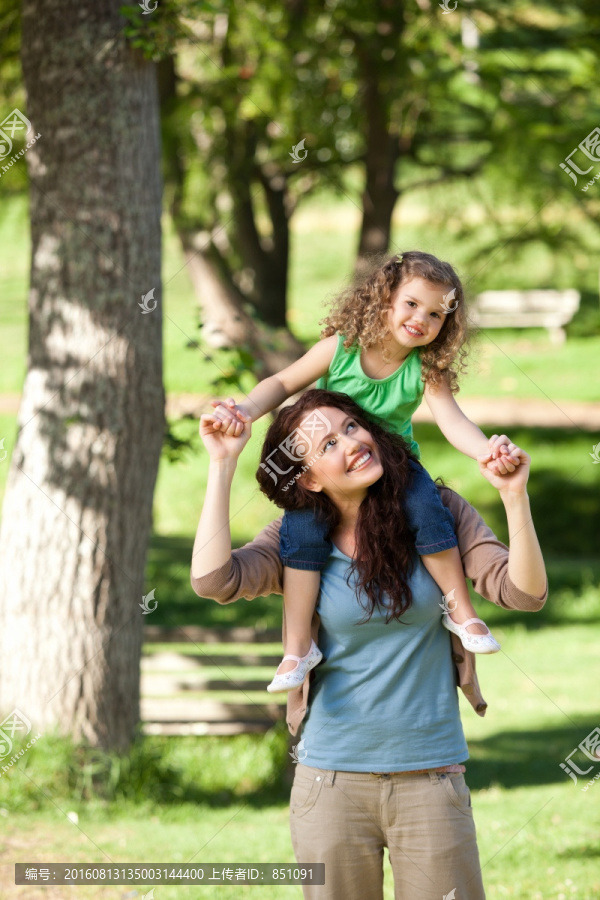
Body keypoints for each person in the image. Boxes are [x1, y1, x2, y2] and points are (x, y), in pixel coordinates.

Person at [191, 390, 547, 900]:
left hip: (430, 777)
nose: (352, 443)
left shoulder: (438, 512)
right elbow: (214, 581)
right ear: (310, 477)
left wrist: (515, 496)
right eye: (328, 443)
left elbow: (524, 592)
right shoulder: (296, 541)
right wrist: (222, 465)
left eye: (352, 427)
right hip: (329, 783)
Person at [208, 251, 519, 694]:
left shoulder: (426, 368)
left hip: (395, 465)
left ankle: (461, 610)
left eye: (435, 314)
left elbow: (452, 422)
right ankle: (297, 647)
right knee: (301, 533)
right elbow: (282, 383)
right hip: (332, 469)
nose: (421, 319)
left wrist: (487, 450)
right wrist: (245, 408)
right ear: (384, 298)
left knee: (428, 510)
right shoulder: (343, 347)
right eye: (411, 304)